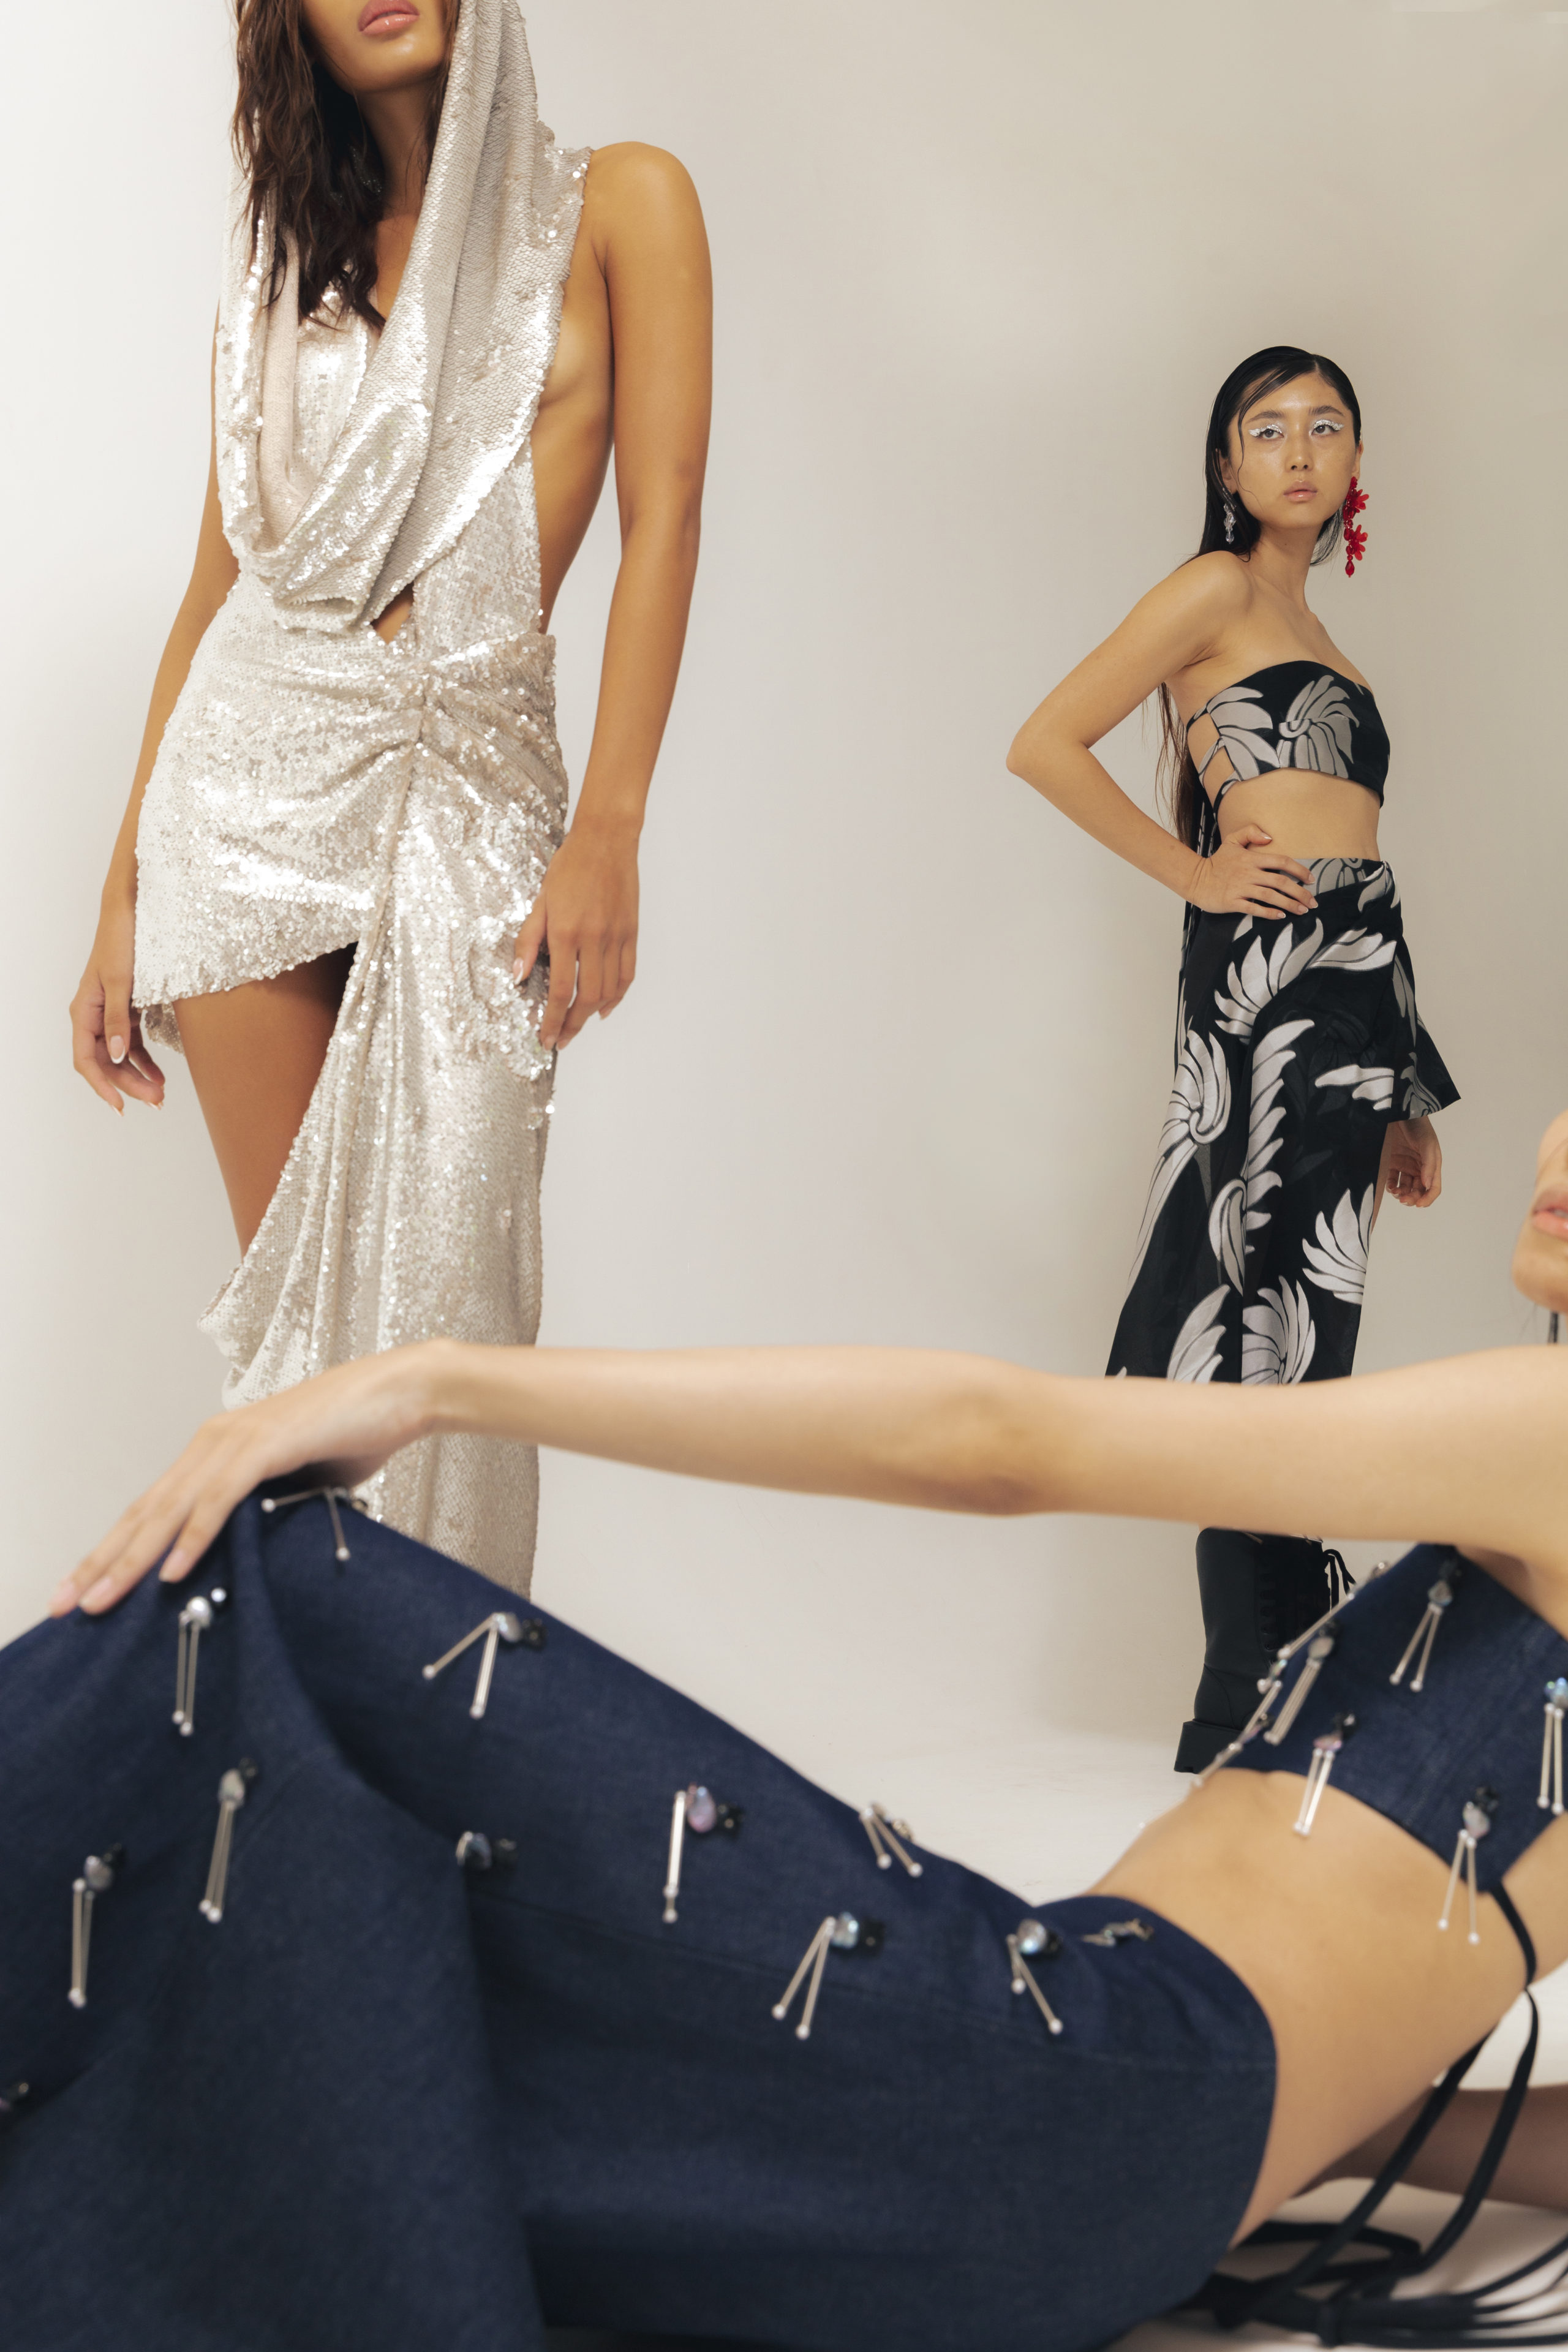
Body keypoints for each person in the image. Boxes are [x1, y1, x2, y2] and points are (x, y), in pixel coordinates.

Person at [28, 1111, 1568, 2351]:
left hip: (1056, 2094)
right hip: (1092, 2179)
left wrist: (432, 1382)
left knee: (300, 1594)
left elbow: (997, 1443)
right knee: (380, 2009)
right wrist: (1313, 2139)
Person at [64, 0, 712, 1590]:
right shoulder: (286, 267)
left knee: (451, 1332)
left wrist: (610, 824)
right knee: (308, 1374)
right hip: (246, 796)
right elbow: (218, 585)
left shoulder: (620, 200)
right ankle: (300, 1722)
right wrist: (122, 890)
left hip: (476, 789)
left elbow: (667, 510)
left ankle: (445, 1712)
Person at [1006, 345, 1457, 1770]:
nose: (1299, 451)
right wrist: (1192, 874)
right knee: (1244, 1298)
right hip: (1266, 984)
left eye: (1325, 427)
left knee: (1306, 1314)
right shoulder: (1210, 591)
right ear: (1225, 463)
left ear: (1354, 465)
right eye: (1268, 429)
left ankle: (1273, 1662)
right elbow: (1043, 741)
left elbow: (1358, 865)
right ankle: (1240, 1685)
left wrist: (1406, 1087)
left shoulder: (1319, 634)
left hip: (1354, 990)